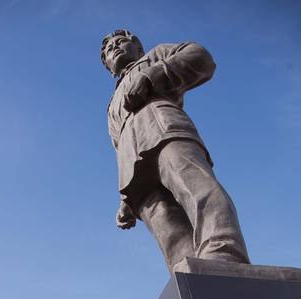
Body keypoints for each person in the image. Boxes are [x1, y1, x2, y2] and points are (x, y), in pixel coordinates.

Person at [101, 29, 250, 272]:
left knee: (197, 190)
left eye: (120, 42)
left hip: (164, 131)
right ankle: (187, 274)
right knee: (166, 225)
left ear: (137, 46)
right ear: (109, 67)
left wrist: (152, 75)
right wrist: (124, 199)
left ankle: (223, 249)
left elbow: (200, 57)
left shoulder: (155, 55)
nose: (115, 48)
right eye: (109, 50)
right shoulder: (110, 107)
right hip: (132, 165)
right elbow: (118, 144)